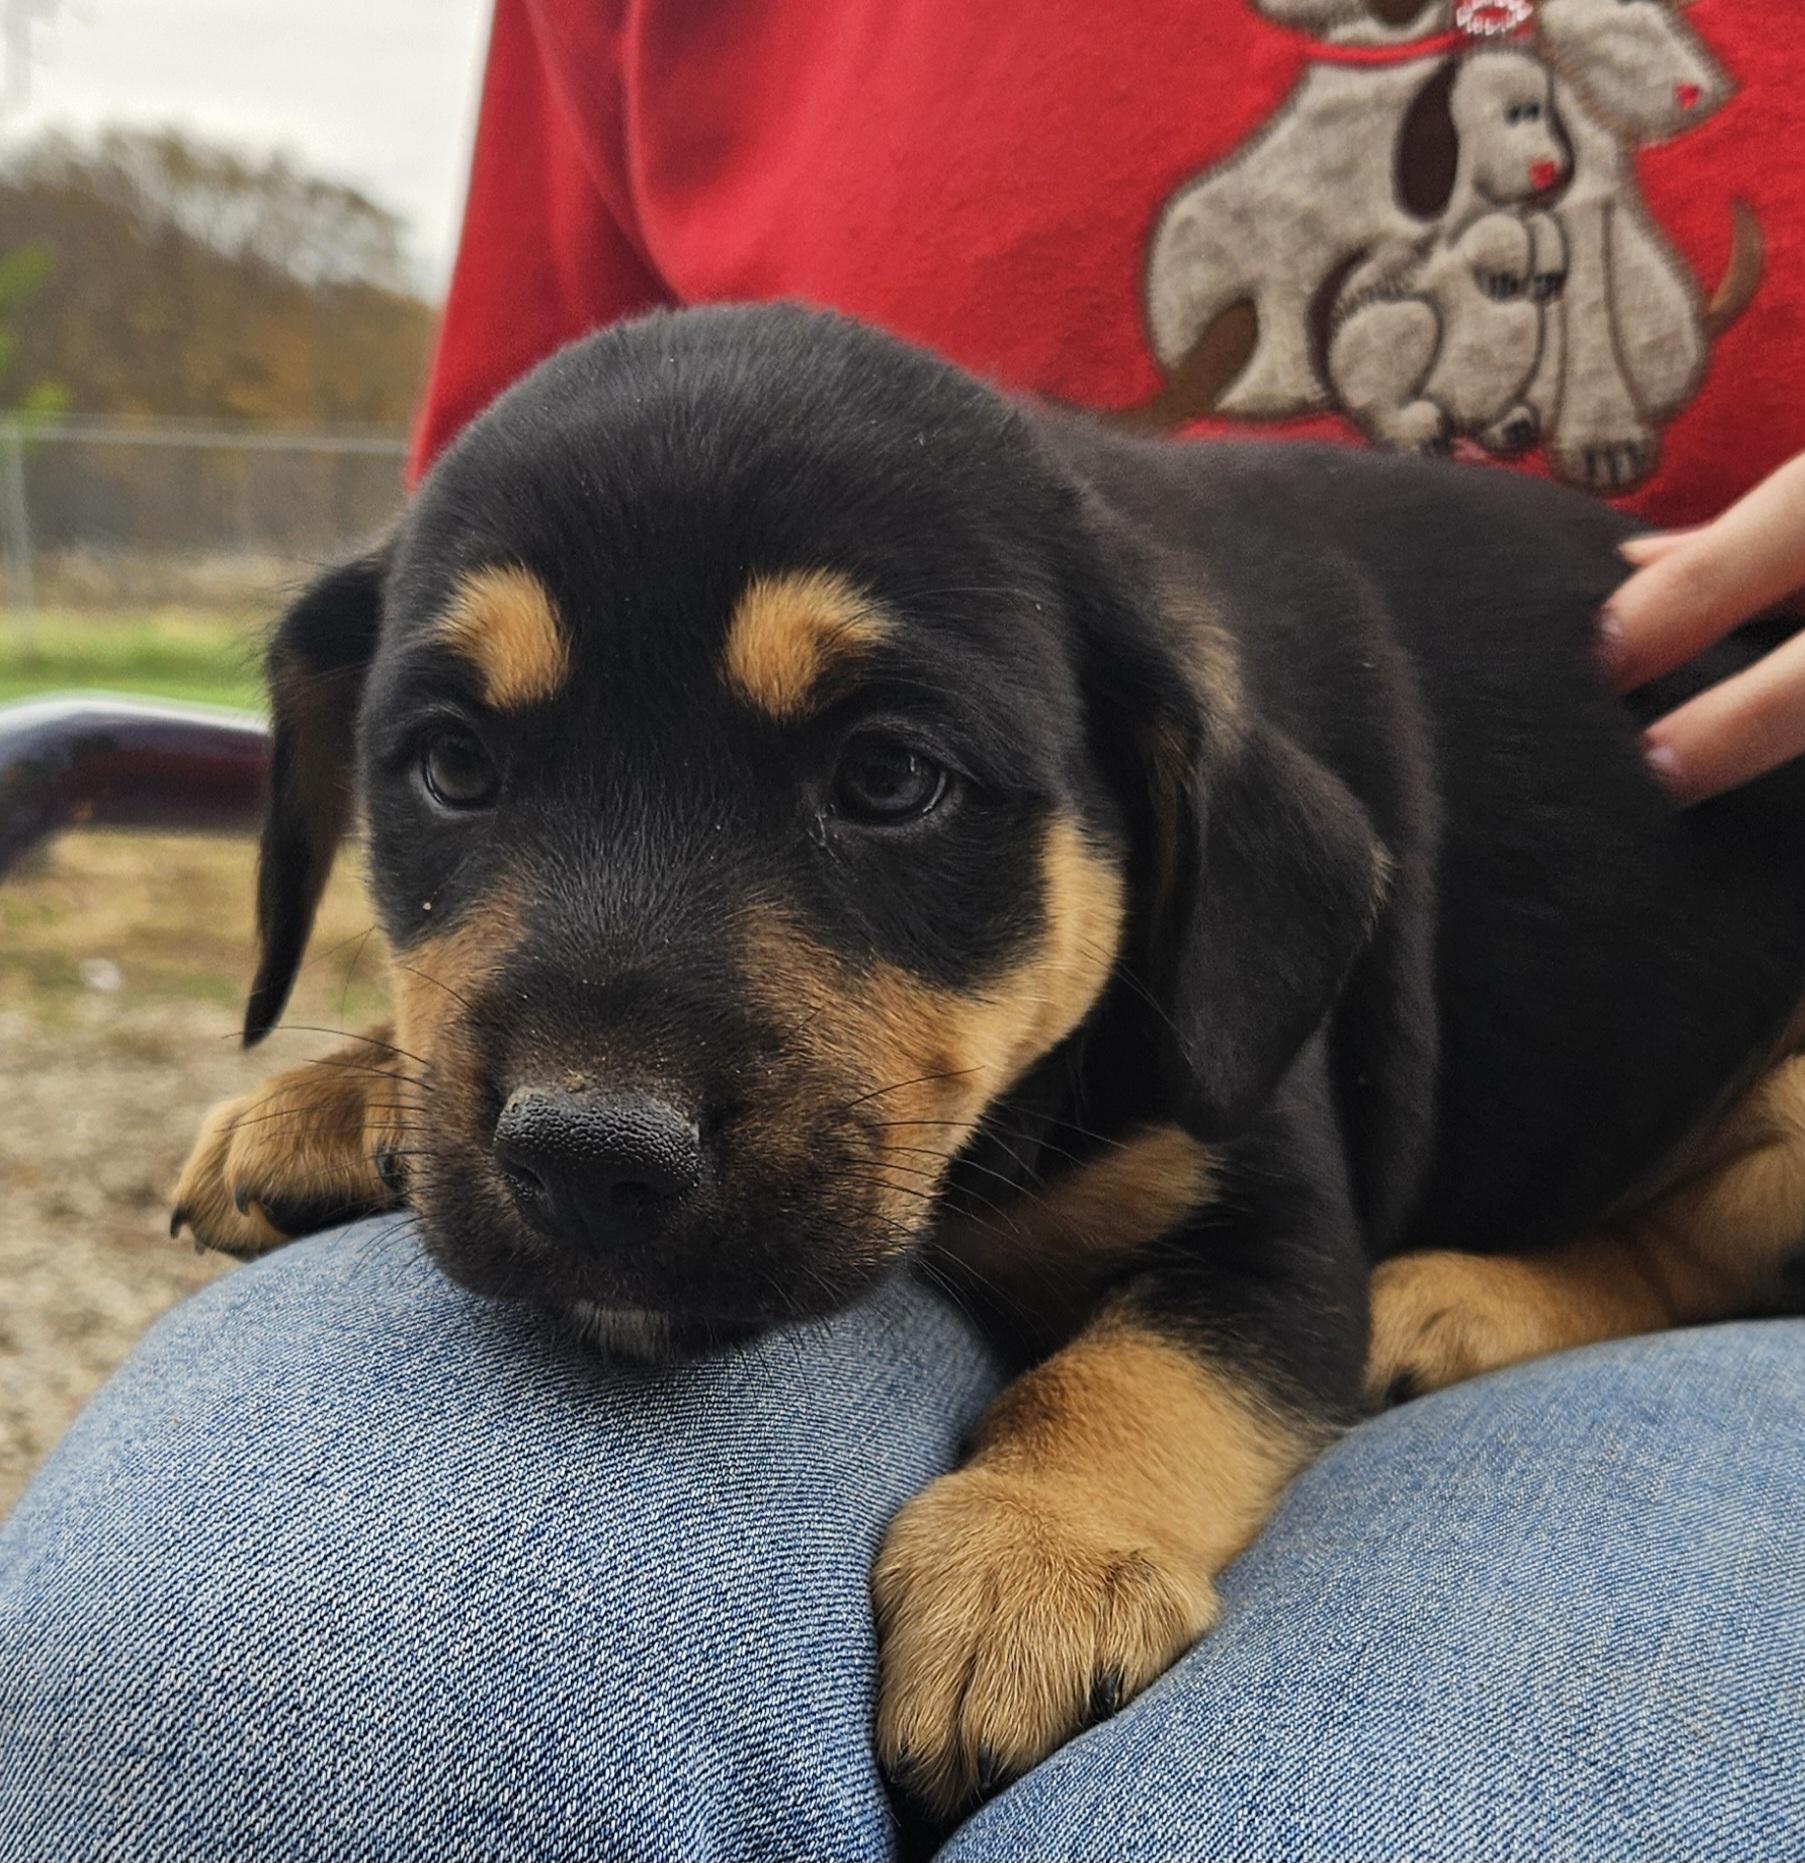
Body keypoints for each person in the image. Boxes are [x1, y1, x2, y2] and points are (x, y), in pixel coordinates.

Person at [4, 3, 1802, 1857]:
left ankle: (1638, 1264)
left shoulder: (1173, 868)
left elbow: (1270, 1259)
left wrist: (1084, 1490)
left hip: (1739, 1135)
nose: (597, 1097)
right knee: (242, 1677)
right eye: (454, 761)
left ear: (1168, 833)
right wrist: (404, 1055)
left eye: (886, 784)